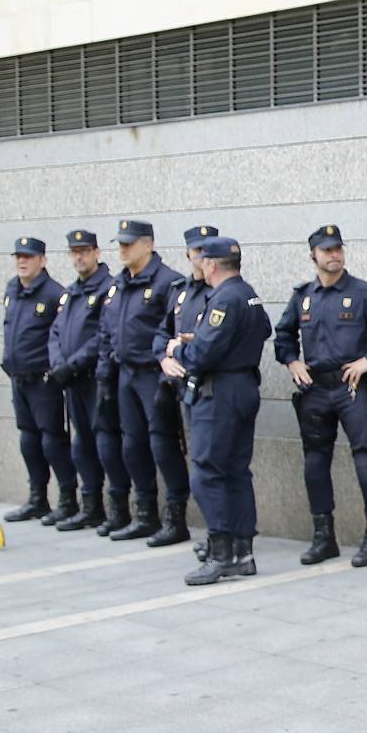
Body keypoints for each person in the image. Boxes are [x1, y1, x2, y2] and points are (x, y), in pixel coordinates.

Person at [275, 224, 367, 569]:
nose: (334, 255)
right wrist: (292, 363)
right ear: (313, 255)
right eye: (327, 250)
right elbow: (283, 336)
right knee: (315, 463)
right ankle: (324, 538)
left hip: (351, 388)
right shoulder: (303, 296)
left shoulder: (365, 293)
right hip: (315, 389)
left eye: (338, 249)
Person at [177, 238, 271, 586]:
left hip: (220, 392)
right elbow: (262, 328)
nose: (198, 265)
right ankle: (243, 553)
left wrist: (178, 350)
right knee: (235, 470)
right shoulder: (248, 293)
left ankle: (221, 554)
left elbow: (203, 354)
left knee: (206, 471)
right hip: (243, 385)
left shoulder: (224, 298)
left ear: (212, 265)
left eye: (202, 260)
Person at [94, 220, 189, 543]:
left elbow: (176, 332)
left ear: (148, 245)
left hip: (154, 375)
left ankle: (176, 518)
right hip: (125, 375)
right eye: (120, 243)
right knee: (132, 446)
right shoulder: (118, 284)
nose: (122, 249)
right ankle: (145, 514)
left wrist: (167, 376)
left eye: (129, 243)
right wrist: (105, 374)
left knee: (163, 445)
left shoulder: (169, 282)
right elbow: (107, 332)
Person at [148, 225, 222, 554]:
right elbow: (160, 334)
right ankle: (176, 519)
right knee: (167, 450)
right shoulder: (180, 291)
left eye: (206, 251)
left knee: (209, 462)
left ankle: (216, 532)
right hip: (174, 384)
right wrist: (163, 358)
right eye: (195, 251)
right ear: (188, 254)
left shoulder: (219, 291)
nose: (201, 256)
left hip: (207, 386)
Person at [46, 230, 122, 532]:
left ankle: (117, 509)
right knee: (82, 445)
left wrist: (74, 363)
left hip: (95, 378)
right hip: (72, 380)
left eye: (84, 251)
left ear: (97, 252)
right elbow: (55, 332)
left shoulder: (109, 289)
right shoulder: (70, 292)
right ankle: (90, 506)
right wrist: (58, 363)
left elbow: (101, 336)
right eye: (74, 252)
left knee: (106, 443)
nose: (79, 257)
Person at [0, 237, 77, 523]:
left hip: (44, 379)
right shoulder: (12, 289)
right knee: (28, 439)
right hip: (19, 377)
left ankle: (68, 499)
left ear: (42, 260)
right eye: (18, 256)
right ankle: (37, 498)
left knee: (52, 441)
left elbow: (59, 337)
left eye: (28, 257)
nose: (22, 262)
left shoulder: (54, 293)